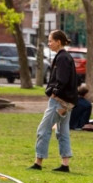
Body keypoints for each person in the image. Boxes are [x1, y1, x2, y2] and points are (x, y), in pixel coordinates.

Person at [34, 31, 78, 172]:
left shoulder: (62, 58)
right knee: (62, 132)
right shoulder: (66, 57)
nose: (49, 43)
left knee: (43, 129)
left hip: (59, 101)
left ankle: (38, 162)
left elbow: (62, 80)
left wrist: (53, 92)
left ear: (58, 42)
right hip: (67, 102)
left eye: (51, 41)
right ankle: (65, 164)